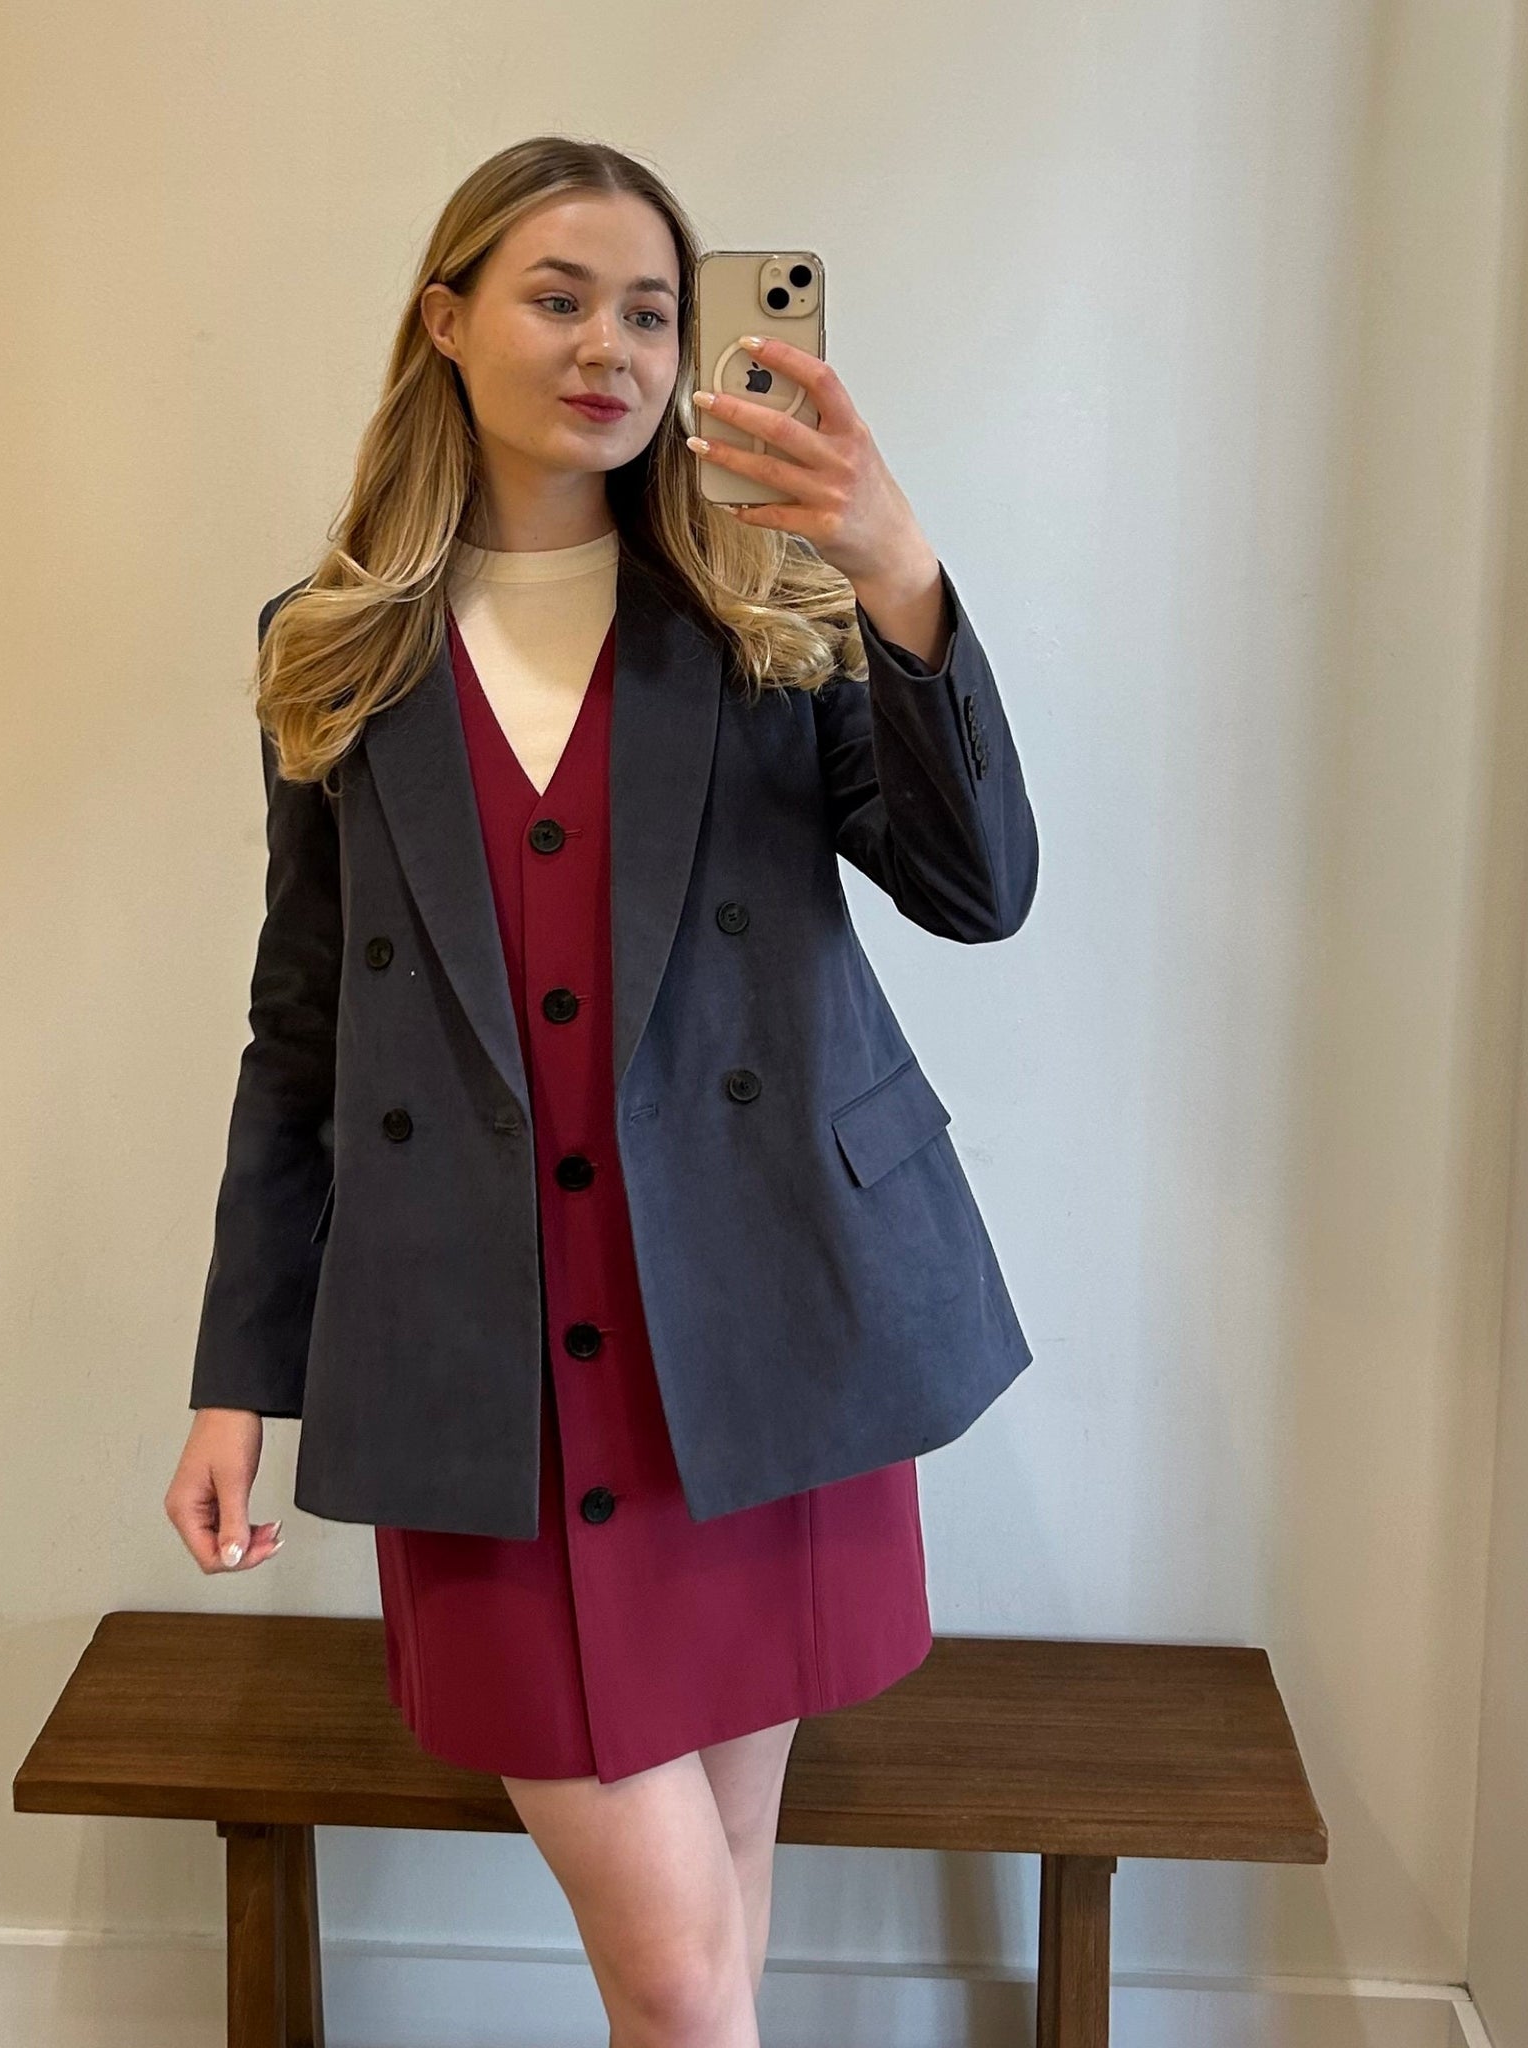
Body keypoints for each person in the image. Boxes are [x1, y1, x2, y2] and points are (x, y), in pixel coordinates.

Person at [165, 135, 1037, 2048]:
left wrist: (895, 569)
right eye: (559, 296)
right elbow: (298, 1030)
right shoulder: (332, 647)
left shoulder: (769, 615)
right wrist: (241, 1370)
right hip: (488, 1380)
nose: (614, 346)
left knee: (710, 1952)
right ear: (447, 317)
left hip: (761, 1338)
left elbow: (979, 895)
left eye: (652, 308)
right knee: (682, 1973)